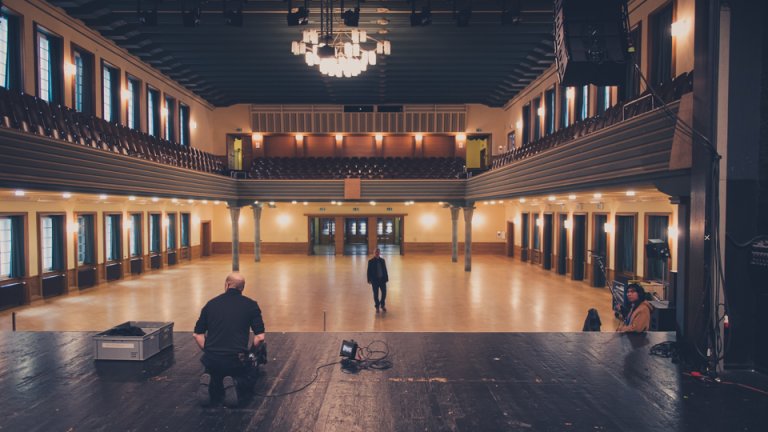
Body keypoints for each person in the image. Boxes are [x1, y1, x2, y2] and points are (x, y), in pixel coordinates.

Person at [193, 272, 265, 407]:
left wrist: (208, 350)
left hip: (212, 359)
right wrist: (250, 353)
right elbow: (260, 337)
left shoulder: (211, 304)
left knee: (215, 372)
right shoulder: (251, 305)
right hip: (236, 359)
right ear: (242, 288)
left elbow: (197, 334)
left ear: (226, 285)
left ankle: (211, 384)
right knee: (252, 373)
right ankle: (236, 383)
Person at [366, 247, 389, 312]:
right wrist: (369, 280)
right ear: (374, 253)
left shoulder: (382, 260)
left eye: (378, 252)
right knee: (376, 294)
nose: (377, 253)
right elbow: (368, 271)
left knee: (384, 293)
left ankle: (382, 305)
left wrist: (386, 278)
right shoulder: (370, 261)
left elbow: (385, 270)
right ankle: (377, 306)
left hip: (382, 280)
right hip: (375, 281)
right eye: (376, 252)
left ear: (379, 253)